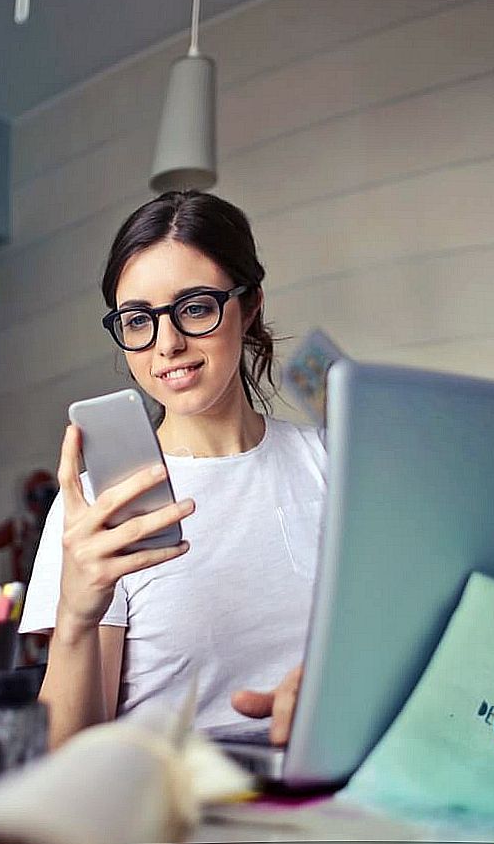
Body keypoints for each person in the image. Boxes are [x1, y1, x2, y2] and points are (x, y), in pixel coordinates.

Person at [19, 190, 326, 749]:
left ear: (250, 302)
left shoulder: (331, 463)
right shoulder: (98, 506)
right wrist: (76, 617)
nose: (168, 345)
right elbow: (67, 754)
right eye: (139, 320)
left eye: (195, 308)